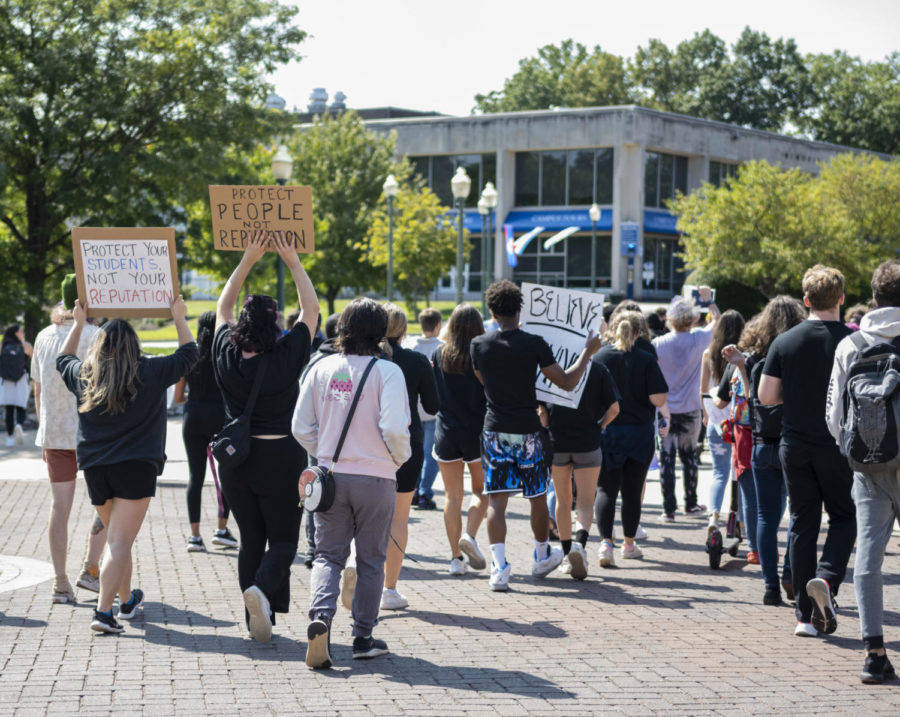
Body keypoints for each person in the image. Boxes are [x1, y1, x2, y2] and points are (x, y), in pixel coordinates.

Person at [57, 296, 197, 634]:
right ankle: (104, 613)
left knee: (120, 539)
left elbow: (63, 359)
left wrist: (77, 323)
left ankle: (127, 601)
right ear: (134, 344)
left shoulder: (86, 377)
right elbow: (190, 355)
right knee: (119, 542)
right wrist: (179, 317)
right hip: (136, 466)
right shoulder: (149, 370)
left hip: (96, 468)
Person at [293, 297, 411, 668]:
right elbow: (394, 428)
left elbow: (300, 427)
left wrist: (324, 452)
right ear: (381, 332)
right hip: (376, 476)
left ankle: (321, 618)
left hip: (330, 478)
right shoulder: (388, 372)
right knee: (372, 559)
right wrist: (396, 458)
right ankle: (363, 636)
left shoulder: (322, 367)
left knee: (328, 554)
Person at [213, 231, 318, 643]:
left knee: (250, 540)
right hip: (281, 459)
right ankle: (261, 593)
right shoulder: (285, 354)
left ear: (241, 323)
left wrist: (246, 261)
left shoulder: (224, 352)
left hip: (237, 462)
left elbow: (222, 307)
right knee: (287, 540)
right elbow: (311, 310)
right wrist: (292, 261)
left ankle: (257, 615)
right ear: (275, 325)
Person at [470, 280, 602, 591]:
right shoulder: (534, 343)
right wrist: (587, 352)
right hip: (528, 428)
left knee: (497, 501)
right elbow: (567, 383)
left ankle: (499, 567)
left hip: (495, 429)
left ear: (491, 310)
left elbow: (483, 382)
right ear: (521, 309)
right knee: (537, 497)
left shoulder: (479, 345)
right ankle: (542, 555)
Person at [760, 265, 855, 638]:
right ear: (842, 298)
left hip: (795, 443)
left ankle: (803, 616)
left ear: (806, 300)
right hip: (839, 444)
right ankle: (827, 581)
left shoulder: (785, 342)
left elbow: (766, 397)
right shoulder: (852, 341)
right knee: (845, 518)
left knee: (802, 523)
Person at [826, 259, 900, 682]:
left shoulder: (851, 345)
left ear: (874, 296)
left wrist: (857, 452)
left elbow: (834, 415)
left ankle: (874, 650)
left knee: (868, 558)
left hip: (868, 466)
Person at [722, 297, 805, 606]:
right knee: (798, 514)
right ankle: (788, 574)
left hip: (761, 443)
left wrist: (743, 366)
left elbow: (750, 401)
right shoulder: (799, 354)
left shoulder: (755, 358)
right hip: (792, 442)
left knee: (766, 516)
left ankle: (770, 586)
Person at [32, 284, 107, 604]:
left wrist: (44, 428)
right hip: (92, 433)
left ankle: (60, 581)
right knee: (107, 505)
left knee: (58, 508)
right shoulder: (96, 336)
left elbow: (37, 390)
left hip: (55, 432)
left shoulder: (43, 336)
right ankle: (90, 570)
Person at [594, 311, 669, 566]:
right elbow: (659, 399)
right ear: (639, 333)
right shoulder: (646, 359)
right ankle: (628, 544)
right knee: (632, 490)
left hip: (608, 431)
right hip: (639, 433)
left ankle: (605, 543)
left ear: (613, 329)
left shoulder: (600, 356)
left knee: (605, 488)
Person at [540, 346, 619, 579]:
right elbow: (614, 409)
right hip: (588, 442)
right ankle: (580, 546)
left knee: (562, 500)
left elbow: (541, 411)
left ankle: (566, 554)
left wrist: (547, 426)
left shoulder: (550, 371)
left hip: (557, 442)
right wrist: (600, 426)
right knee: (585, 501)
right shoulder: (598, 370)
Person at [380, 304, 440, 610]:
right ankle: (389, 588)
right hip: (408, 442)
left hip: (369, 444)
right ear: (403, 331)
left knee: (363, 513)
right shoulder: (416, 361)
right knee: (399, 516)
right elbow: (432, 405)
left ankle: (361, 574)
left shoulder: (367, 359)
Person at [653, 289, 720, 520]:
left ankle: (668, 509)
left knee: (667, 460)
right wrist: (709, 301)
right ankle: (690, 504)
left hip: (665, 411)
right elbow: (719, 322)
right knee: (690, 457)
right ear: (692, 319)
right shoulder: (699, 338)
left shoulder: (658, 343)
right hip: (691, 409)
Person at [431, 304, 489, 575]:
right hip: (477, 431)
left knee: (452, 496)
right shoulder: (482, 354)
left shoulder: (439, 353)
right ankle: (470, 535)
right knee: (481, 491)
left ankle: (455, 558)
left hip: (446, 432)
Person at [173, 311, 235, 553]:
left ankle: (195, 537)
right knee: (225, 474)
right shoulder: (224, 356)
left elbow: (178, 397)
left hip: (193, 416)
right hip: (219, 416)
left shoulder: (191, 357)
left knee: (195, 477)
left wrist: (193, 398)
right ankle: (221, 529)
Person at [297, 312, 342, 570]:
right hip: (334, 443)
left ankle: (313, 549)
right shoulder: (338, 364)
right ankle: (324, 548)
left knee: (314, 496)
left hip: (317, 442)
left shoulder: (313, 361)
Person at [700, 310, 744, 528]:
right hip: (739, 420)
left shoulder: (709, 353)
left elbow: (703, 391)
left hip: (717, 419)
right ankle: (742, 522)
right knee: (742, 474)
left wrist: (707, 417)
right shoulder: (742, 355)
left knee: (719, 473)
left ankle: (714, 516)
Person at [409, 307, 443, 511]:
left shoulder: (410, 346)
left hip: (413, 407)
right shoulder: (442, 347)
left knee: (415, 451)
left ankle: (412, 488)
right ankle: (424, 492)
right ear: (438, 325)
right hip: (434, 408)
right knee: (431, 454)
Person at [1, 323, 33, 447]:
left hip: (6, 381)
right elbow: (35, 361)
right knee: (21, 406)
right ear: (16, 333)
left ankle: (10, 438)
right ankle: (19, 424)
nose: (23, 333)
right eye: (21, 331)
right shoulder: (26, 346)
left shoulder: (3, 346)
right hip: (21, 379)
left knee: (9, 409)